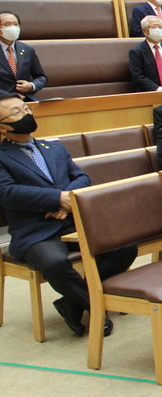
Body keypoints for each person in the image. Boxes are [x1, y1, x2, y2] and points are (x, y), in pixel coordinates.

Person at [0, 93, 137, 337]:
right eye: (16, 113)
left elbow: (82, 177)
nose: (26, 114)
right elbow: (7, 192)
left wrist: (65, 200)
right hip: (35, 230)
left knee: (126, 246)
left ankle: (71, 302)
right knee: (55, 263)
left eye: (26, 108)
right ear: (2, 126)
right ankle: (94, 308)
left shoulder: (53, 147)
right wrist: (55, 199)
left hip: (71, 219)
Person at [0, 11, 46, 100]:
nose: (13, 27)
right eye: (7, 24)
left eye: (15, 24)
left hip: (25, 100)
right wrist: (10, 97)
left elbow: (41, 77)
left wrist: (31, 86)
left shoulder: (27, 50)